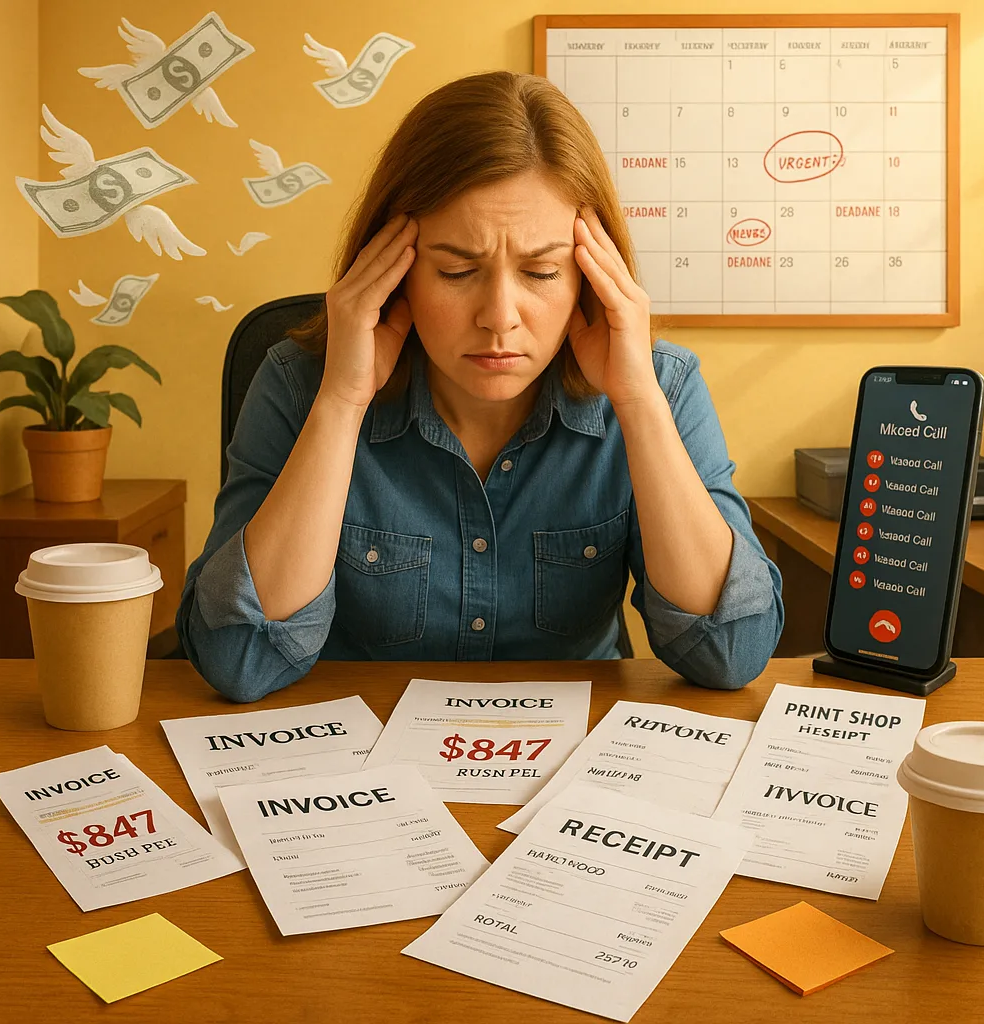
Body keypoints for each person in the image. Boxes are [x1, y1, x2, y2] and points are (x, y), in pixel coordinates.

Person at [176, 70, 784, 702]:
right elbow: (238, 658)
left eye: (542, 271)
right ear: (395, 268)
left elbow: (730, 653)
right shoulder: (299, 385)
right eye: (457, 269)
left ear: (590, 276)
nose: (499, 316)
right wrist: (341, 401)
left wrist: (636, 402)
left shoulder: (661, 385)